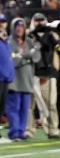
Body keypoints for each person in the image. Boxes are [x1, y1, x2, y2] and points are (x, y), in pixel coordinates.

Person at [8, 17, 39, 141]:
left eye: (21, 27)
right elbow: (13, 61)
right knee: (13, 108)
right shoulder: (9, 42)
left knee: (24, 109)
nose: (19, 29)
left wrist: (21, 55)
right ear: (13, 28)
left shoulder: (29, 41)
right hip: (14, 81)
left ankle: (21, 132)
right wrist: (27, 56)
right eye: (17, 27)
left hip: (27, 80)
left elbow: (37, 57)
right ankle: (14, 132)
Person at [0, 13, 14, 143]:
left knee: (1, 106)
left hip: (5, 78)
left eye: (3, 21)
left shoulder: (6, 40)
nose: (2, 24)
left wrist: (10, 75)